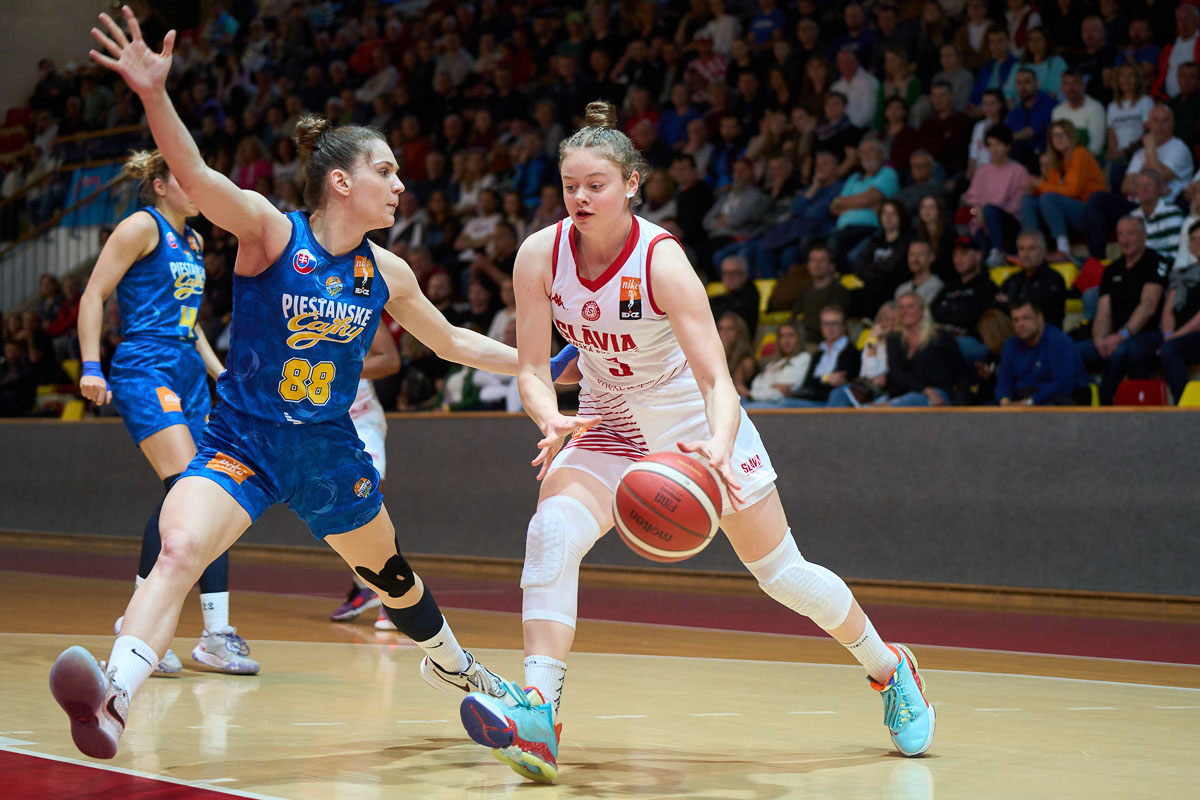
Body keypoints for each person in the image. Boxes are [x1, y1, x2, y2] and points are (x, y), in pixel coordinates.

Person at [53, 9, 528, 761]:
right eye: (386, 171)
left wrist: (541, 362)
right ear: (342, 181)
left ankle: (454, 664)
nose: (401, 184)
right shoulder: (272, 233)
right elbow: (198, 176)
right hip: (241, 442)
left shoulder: (386, 271)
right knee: (178, 549)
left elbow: (452, 342)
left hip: (327, 452)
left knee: (393, 576)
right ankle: (114, 697)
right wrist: (153, 95)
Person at [458, 100, 935, 784]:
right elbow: (533, 369)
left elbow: (718, 381)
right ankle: (540, 715)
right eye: (570, 186)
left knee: (783, 575)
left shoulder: (661, 260)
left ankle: (890, 669)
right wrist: (550, 419)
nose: (581, 198)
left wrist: (718, 443)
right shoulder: (540, 255)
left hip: (692, 427)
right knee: (551, 533)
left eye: (596, 185)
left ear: (631, 184)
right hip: (606, 422)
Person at [77, 148, 256, 676]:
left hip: (186, 366)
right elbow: (94, 293)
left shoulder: (194, 241)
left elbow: (191, 322)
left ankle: (196, 631)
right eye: (184, 180)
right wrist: (91, 365)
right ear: (158, 185)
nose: (196, 189)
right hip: (145, 364)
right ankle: (164, 626)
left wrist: (220, 373)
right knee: (186, 488)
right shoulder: (140, 227)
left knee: (211, 491)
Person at [328, 327, 402, 630]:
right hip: (326, 421)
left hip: (362, 419)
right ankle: (366, 584)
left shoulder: (362, 304)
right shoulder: (291, 306)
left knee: (367, 500)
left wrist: (339, 367)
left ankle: (395, 594)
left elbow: (390, 360)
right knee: (341, 512)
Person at [1078, 216, 1168, 405]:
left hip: (1148, 334)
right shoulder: (1112, 269)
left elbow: (1148, 306)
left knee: (1123, 351)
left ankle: (1107, 407)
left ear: (1144, 235)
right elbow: (1103, 311)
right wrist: (1099, 339)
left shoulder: (1156, 262)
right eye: (1120, 234)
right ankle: (1081, 402)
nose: (1125, 240)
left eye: (1130, 234)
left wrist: (1122, 335)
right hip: (1116, 336)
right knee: (1074, 352)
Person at [829, 291, 968, 407]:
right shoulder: (895, 339)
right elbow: (897, 372)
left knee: (905, 401)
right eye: (901, 307)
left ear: (922, 310)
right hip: (904, 395)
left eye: (910, 306)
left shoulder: (940, 336)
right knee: (842, 395)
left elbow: (961, 371)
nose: (905, 311)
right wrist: (925, 390)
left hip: (937, 394)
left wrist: (959, 405)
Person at [1019, 119, 1106, 260]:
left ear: (1071, 136)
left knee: (1048, 198)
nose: (1058, 139)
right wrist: (1033, 188)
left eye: (1062, 135)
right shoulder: (1056, 161)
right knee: (1028, 200)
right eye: (1054, 136)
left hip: (1089, 211)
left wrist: (1039, 184)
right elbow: (1052, 189)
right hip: (1065, 212)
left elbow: (1072, 191)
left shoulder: (1080, 153)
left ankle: (1063, 249)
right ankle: (1032, 247)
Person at [995, 300, 1090, 406]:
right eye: (1016, 320)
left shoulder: (1058, 341)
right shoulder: (1010, 344)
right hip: (1023, 398)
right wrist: (1005, 402)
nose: (1020, 324)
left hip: (1057, 399)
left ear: (1040, 318)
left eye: (1026, 318)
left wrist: (1029, 402)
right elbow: (1003, 382)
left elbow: (1063, 384)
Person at [961, 124, 1029, 266]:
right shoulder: (982, 171)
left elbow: (1020, 205)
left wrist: (989, 213)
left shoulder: (1019, 171)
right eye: (990, 145)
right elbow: (972, 199)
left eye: (998, 144)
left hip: (1009, 223)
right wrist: (977, 212)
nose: (994, 149)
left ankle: (997, 251)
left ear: (1008, 146)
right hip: (982, 222)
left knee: (990, 210)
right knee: (977, 246)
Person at [931, 237, 997, 365]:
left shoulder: (987, 286)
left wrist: (948, 309)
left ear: (978, 255)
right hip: (946, 338)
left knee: (936, 350)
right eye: (955, 255)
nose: (958, 259)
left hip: (974, 341)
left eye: (964, 254)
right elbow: (932, 312)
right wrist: (958, 310)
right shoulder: (950, 287)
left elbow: (971, 317)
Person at [1160, 220, 1200, 403]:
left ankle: (1184, 407)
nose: (1197, 243)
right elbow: (1168, 310)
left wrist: (1174, 338)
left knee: (1170, 349)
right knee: (1137, 350)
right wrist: (1168, 334)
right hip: (1180, 335)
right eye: (1193, 239)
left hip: (1193, 333)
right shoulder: (1182, 274)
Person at [996, 230, 1068, 330]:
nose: (1025, 254)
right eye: (1021, 249)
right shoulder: (1014, 278)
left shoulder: (1054, 278)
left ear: (1043, 251)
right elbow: (996, 303)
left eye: (1031, 248)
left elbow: (1041, 310)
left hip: (1045, 334)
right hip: (1014, 333)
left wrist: (1010, 301)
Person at [790, 244, 851, 344]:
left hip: (823, 342)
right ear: (808, 265)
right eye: (813, 260)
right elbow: (794, 318)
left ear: (831, 266)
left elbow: (831, 324)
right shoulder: (804, 289)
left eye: (822, 260)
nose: (817, 264)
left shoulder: (839, 291)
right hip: (802, 341)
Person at [742, 320, 811, 406]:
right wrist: (773, 386)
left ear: (799, 338)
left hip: (776, 404)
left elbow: (782, 392)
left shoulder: (803, 358)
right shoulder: (775, 361)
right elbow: (756, 384)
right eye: (782, 336)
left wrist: (754, 394)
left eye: (791, 335)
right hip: (757, 399)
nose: (786, 340)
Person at [895, 240, 945, 306]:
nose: (915, 259)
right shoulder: (901, 289)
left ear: (932, 257)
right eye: (912, 254)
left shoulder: (937, 286)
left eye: (921, 254)